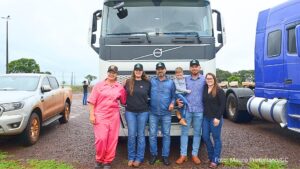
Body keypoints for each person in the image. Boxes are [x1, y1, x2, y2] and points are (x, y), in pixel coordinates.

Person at [88, 65, 127, 169]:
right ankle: (99, 160)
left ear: (116, 74)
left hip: (114, 115)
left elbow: (123, 101)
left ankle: (107, 161)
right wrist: (92, 114)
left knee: (112, 139)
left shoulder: (119, 87)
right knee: (101, 138)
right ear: (107, 73)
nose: (111, 74)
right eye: (110, 72)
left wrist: (126, 87)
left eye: (113, 72)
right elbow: (91, 101)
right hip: (100, 115)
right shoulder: (99, 85)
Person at [176, 59, 205, 165]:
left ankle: (194, 154)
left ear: (199, 67)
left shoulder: (204, 79)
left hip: (199, 110)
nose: (194, 68)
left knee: (197, 133)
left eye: (196, 66)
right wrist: (177, 100)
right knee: (184, 133)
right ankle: (183, 155)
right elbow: (179, 92)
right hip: (186, 111)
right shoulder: (185, 79)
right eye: (192, 66)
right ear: (189, 68)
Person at [149, 62, 175, 166]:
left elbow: (174, 96)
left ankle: (165, 156)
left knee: (166, 135)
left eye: (162, 69)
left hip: (166, 113)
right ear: (156, 71)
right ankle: (154, 155)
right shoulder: (151, 81)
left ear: (165, 70)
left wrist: (173, 103)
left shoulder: (171, 82)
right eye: (158, 69)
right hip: (153, 113)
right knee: (152, 135)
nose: (160, 70)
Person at [124, 63, 151, 167]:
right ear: (134, 71)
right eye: (136, 70)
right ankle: (131, 157)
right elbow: (122, 93)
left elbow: (152, 96)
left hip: (143, 112)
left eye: (140, 70)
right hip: (130, 112)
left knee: (141, 135)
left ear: (142, 71)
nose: (138, 71)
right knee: (131, 135)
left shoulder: (147, 83)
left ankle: (139, 158)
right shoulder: (128, 82)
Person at [202, 73, 226, 168]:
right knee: (205, 137)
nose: (209, 80)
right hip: (206, 118)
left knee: (216, 138)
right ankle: (211, 156)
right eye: (207, 79)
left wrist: (218, 118)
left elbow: (222, 105)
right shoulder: (204, 88)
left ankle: (215, 159)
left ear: (214, 79)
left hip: (215, 118)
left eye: (211, 78)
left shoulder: (219, 91)